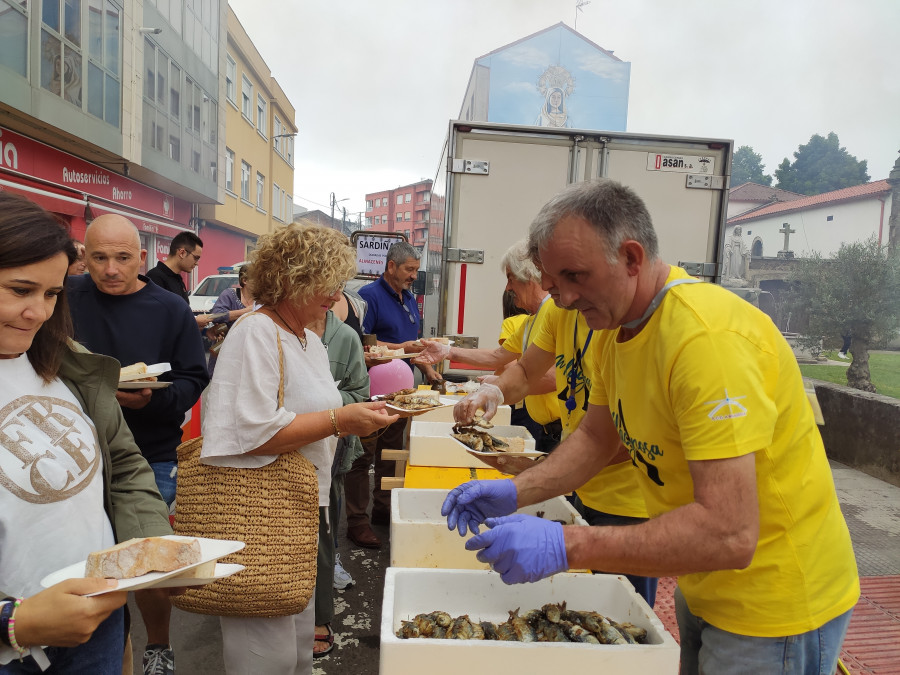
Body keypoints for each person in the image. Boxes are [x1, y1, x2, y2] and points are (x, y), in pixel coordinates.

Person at [444, 179, 859, 674]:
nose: (567, 299)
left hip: (774, 602)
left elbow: (730, 532)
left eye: (577, 276)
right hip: (705, 584)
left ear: (632, 258)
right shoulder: (616, 330)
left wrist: (565, 545)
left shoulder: (704, 342)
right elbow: (597, 438)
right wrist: (516, 492)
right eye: (556, 285)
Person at [200, 223, 396, 675]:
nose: (335, 295)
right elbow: (249, 432)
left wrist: (354, 413)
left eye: (338, 283)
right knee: (263, 655)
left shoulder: (303, 337)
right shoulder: (255, 332)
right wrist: (341, 420)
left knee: (293, 649)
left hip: (300, 509)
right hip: (260, 514)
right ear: (289, 279)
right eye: (324, 283)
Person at [0, 192, 173, 673]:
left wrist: (151, 548)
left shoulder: (67, 362)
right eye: (20, 290)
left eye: (53, 294)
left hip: (97, 619)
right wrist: (16, 624)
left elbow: (125, 466)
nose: (39, 311)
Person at [67, 214, 210, 675]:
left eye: (122, 258)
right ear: (84, 257)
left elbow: (193, 376)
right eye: (99, 258)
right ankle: (112, 649)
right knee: (95, 561)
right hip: (75, 457)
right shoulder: (63, 300)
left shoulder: (170, 308)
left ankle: (159, 647)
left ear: (142, 259)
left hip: (151, 453)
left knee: (146, 558)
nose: (110, 269)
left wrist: (151, 401)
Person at [415, 240, 561, 452]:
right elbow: (497, 356)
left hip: (558, 431)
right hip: (547, 430)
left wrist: (498, 386)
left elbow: (551, 376)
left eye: (510, 278)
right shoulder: (532, 320)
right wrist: (448, 351)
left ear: (528, 276)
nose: (508, 287)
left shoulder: (552, 311)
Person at [344, 242, 436, 549]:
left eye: (416, 270)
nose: (413, 275)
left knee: (390, 449)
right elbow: (365, 343)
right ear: (391, 267)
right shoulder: (369, 296)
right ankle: (357, 521)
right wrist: (404, 348)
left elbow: (411, 346)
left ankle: (383, 509)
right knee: (363, 453)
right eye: (409, 269)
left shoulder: (409, 298)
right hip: (372, 388)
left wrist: (430, 369)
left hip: (402, 390)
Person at [308, 301, 370, 658]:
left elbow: (359, 393)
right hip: (275, 447)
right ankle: (275, 605)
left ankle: (319, 617)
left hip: (327, 452)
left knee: (323, 533)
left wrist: (324, 403)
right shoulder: (266, 329)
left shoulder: (344, 337)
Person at [145, 231, 213, 329]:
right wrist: (193, 321)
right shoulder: (155, 278)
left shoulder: (177, 278)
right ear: (182, 253)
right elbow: (155, 319)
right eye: (196, 258)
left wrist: (204, 331)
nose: (197, 263)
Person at [206, 264, 255, 377]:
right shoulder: (230, 294)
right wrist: (245, 311)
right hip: (227, 352)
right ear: (245, 280)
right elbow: (216, 315)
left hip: (250, 353)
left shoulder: (262, 299)